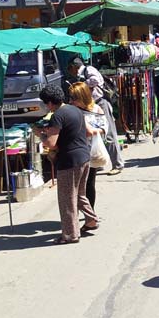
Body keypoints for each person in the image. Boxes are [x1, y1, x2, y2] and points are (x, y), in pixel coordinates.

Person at [38, 84, 100, 243]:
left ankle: (70, 234)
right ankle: (92, 220)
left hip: (69, 161)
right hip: (84, 157)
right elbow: (87, 132)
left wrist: (40, 134)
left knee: (67, 199)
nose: (46, 107)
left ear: (51, 102)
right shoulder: (75, 110)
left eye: (46, 103)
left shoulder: (57, 116)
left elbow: (51, 143)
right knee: (79, 194)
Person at [65, 56, 125, 175]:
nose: (69, 72)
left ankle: (118, 164)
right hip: (90, 106)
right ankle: (99, 163)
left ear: (74, 66)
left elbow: (96, 80)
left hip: (100, 104)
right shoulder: (80, 75)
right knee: (95, 136)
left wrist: (81, 85)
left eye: (69, 68)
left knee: (108, 134)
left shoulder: (88, 70)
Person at [68, 82, 107, 211]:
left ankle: (91, 213)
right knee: (76, 185)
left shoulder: (96, 109)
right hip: (75, 151)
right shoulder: (71, 110)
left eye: (74, 98)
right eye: (71, 98)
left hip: (91, 151)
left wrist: (93, 131)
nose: (71, 101)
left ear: (83, 97)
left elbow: (105, 128)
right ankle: (79, 213)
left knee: (89, 183)